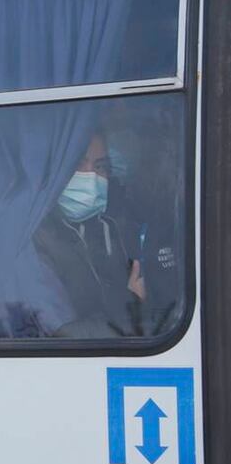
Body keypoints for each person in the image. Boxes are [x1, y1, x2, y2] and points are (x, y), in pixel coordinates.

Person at [35, 131, 145, 337]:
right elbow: (62, 333)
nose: (90, 177)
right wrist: (135, 311)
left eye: (100, 166)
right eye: (78, 164)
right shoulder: (36, 240)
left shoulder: (114, 227)